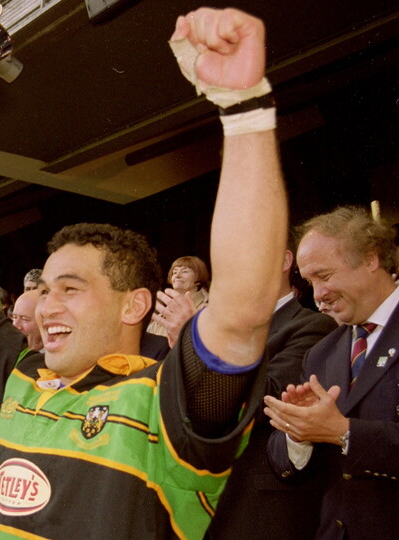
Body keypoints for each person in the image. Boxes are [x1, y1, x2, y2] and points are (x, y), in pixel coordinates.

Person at [0, 7, 286, 537]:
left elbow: (240, 315)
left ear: (135, 304)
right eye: (46, 290)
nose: (48, 306)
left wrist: (245, 108)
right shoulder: (22, 376)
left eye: (71, 289)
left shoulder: (167, 401)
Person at [264, 206, 399, 538]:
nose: (317, 295)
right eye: (309, 281)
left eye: (324, 276)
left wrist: (343, 432)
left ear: (371, 258)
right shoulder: (322, 353)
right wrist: (298, 434)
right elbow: (286, 465)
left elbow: (343, 434)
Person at [203, 235, 337, 539]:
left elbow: (271, 401)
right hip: (206, 495)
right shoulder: (221, 327)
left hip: (261, 504)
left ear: (284, 261)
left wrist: (207, 347)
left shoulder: (312, 326)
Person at [147, 256, 210, 342]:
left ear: (199, 277)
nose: (177, 276)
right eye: (174, 272)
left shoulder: (208, 308)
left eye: (184, 271)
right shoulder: (163, 310)